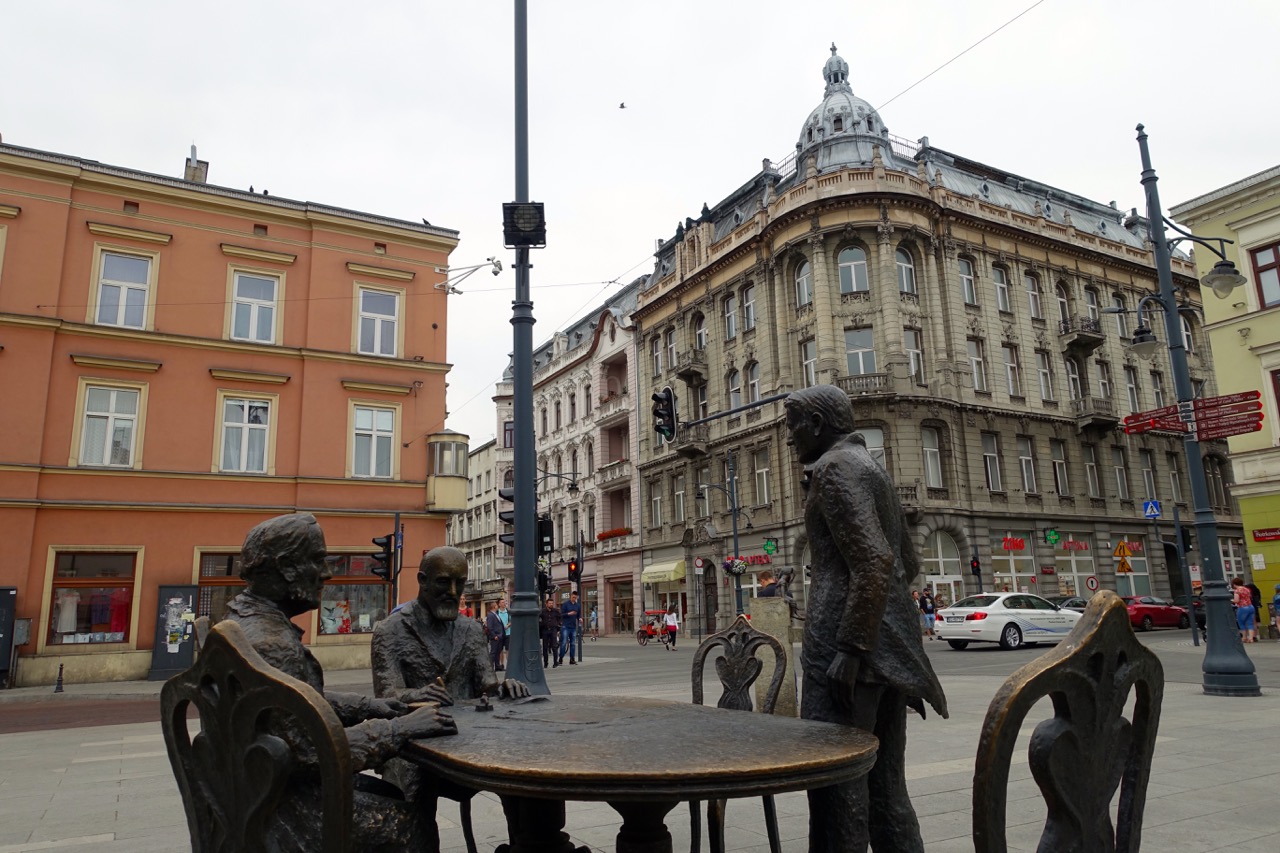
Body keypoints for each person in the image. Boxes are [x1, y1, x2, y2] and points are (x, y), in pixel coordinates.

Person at [221, 512, 457, 852]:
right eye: (318, 562)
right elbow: (312, 753)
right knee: (414, 824)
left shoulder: (243, 622)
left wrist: (367, 706)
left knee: (391, 793)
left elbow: (293, 700)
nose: (327, 574)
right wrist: (400, 729)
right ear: (288, 567)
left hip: (255, 791)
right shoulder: (274, 645)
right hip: (285, 814)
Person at [785, 385, 947, 853]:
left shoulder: (835, 469)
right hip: (889, 646)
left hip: (846, 653)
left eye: (791, 423)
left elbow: (875, 561)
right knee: (886, 785)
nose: (789, 436)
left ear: (816, 424)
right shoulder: (871, 466)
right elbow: (907, 564)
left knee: (837, 787)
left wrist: (851, 648)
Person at [371, 546, 528, 852]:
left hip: (470, 742)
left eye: (460, 582)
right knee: (412, 791)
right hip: (415, 745)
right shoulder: (389, 632)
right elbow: (387, 696)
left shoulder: (471, 630)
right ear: (422, 580)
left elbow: (486, 685)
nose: (453, 591)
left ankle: (525, 845)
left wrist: (505, 688)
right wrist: (417, 695)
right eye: (444, 582)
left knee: (523, 777)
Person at [558, 590, 581, 665]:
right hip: (565, 626)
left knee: (573, 643)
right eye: (573, 597)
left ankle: (572, 659)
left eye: (575, 597)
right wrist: (569, 613)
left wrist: (580, 618)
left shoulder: (577, 605)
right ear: (570, 596)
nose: (574, 598)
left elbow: (578, 615)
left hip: (573, 626)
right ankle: (561, 658)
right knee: (564, 642)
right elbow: (561, 614)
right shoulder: (565, 604)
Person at [1232, 577, 1257, 643]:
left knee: (1241, 623)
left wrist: (1231, 600)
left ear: (1234, 584)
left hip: (1242, 608)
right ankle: (1251, 638)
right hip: (1251, 607)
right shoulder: (1247, 589)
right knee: (1250, 623)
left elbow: (1236, 601)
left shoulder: (1237, 591)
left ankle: (1244, 637)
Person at [540, 596, 562, 667]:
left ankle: (555, 662)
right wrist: (541, 624)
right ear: (546, 604)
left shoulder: (555, 611)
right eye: (549, 603)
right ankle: (545, 663)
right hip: (545, 630)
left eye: (552, 603)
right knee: (545, 647)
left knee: (554, 646)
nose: (551, 604)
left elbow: (560, 618)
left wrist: (558, 624)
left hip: (553, 630)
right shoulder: (543, 611)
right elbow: (538, 618)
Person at [484, 603, 505, 670]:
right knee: (493, 652)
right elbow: (490, 627)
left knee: (498, 652)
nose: (497, 606)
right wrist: (494, 635)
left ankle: (497, 666)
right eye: (496, 605)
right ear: (493, 607)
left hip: (500, 636)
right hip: (495, 636)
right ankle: (490, 667)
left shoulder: (496, 614)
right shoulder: (490, 615)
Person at [497, 598, 512, 668]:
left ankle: (509, 665)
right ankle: (501, 664)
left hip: (508, 633)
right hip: (500, 634)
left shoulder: (508, 612)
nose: (504, 603)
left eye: (504, 602)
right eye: (502, 602)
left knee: (508, 649)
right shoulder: (497, 612)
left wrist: (508, 625)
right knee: (500, 650)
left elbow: (511, 621)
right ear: (499, 604)